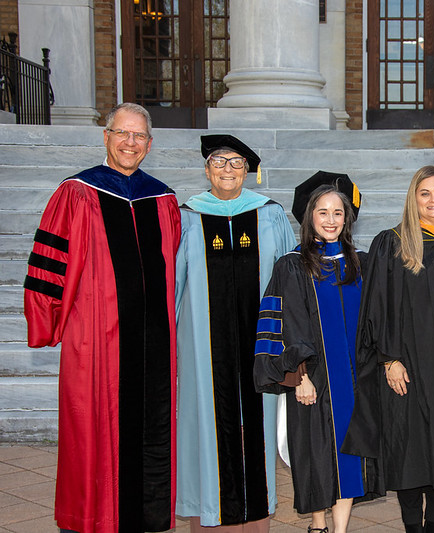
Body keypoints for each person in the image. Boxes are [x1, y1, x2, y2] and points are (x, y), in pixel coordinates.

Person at [23, 103, 181, 533]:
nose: (131, 142)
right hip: (96, 337)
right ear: (106, 136)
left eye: (139, 136)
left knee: (149, 428)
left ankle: (143, 517)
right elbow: (50, 265)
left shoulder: (163, 199)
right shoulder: (76, 193)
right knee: (92, 427)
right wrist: (48, 319)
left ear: (150, 144)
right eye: (122, 133)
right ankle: (90, 519)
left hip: (152, 341)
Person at [174, 135, 296, 531]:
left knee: (258, 422)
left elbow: (291, 278)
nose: (227, 169)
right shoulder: (188, 216)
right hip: (202, 344)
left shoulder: (269, 214)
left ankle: (256, 508)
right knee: (205, 421)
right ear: (206, 169)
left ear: (248, 171)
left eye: (236, 162)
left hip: (260, 342)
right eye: (219, 161)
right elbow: (172, 282)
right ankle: (208, 506)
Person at [343, 165, 434, 533]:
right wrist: (388, 359)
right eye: (425, 193)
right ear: (413, 199)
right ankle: (412, 526)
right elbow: (377, 305)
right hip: (404, 364)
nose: (433, 200)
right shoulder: (392, 243)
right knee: (408, 448)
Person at [253, 172, 380, 533]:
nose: (330, 220)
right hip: (314, 380)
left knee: (351, 454)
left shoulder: (361, 263)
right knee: (317, 455)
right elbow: (285, 324)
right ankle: (318, 524)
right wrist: (300, 377)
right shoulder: (292, 264)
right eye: (322, 212)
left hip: (356, 380)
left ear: (347, 218)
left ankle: (339, 529)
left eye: (338, 213)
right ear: (309, 217)